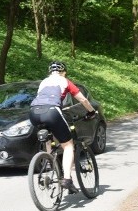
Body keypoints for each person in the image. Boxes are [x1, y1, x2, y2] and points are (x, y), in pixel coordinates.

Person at [29, 61, 97, 194]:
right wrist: (91, 112)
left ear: (50, 72)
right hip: (52, 111)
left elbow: (43, 98)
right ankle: (66, 179)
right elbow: (83, 100)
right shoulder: (65, 81)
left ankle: (50, 164)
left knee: (49, 140)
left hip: (33, 112)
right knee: (68, 145)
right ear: (64, 72)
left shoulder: (43, 82)